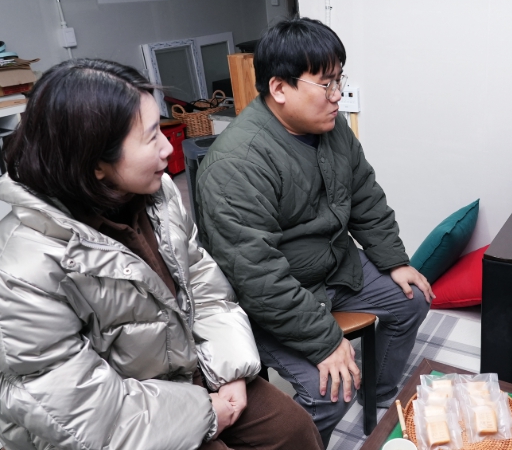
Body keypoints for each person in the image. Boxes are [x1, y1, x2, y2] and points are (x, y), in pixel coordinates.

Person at [0, 58, 323, 450]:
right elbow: (86, 414)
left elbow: (203, 283)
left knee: (293, 428)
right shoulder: (23, 268)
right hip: (119, 420)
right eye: (152, 137)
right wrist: (206, 414)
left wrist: (230, 369)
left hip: (188, 369)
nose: (168, 148)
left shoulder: (158, 194)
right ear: (95, 162)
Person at [195, 17, 433, 444]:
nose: (338, 95)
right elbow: (258, 278)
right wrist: (324, 342)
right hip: (271, 299)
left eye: (339, 80)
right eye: (326, 84)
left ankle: (377, 395)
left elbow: (365, 196)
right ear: (279, 88)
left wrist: (395, 260)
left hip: (334, 266)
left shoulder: (332, 127)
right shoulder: (237, 164)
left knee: (412, 300)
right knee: (330, 394)